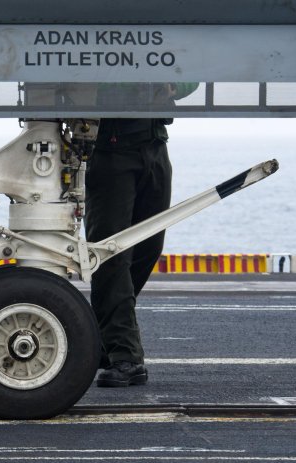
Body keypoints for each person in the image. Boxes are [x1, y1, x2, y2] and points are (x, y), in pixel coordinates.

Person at [85, 83, 197, 387]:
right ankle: (126, 355)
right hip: (110, 150)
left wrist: (173, 87)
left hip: (155, 147)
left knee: (149, 248)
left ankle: (104, 338)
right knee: (111, 255)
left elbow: (190, 77)